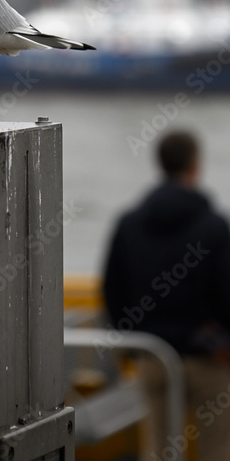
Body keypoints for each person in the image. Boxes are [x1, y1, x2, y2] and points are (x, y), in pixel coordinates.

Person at [103, 130, 230, 460]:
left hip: (153, 354)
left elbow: (112, 290)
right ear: (194, 166)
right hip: (208, 358)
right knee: (218, 449)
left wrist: (133, 344)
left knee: (158, 450)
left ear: (160, 163)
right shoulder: (215, 227)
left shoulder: (128, 224)